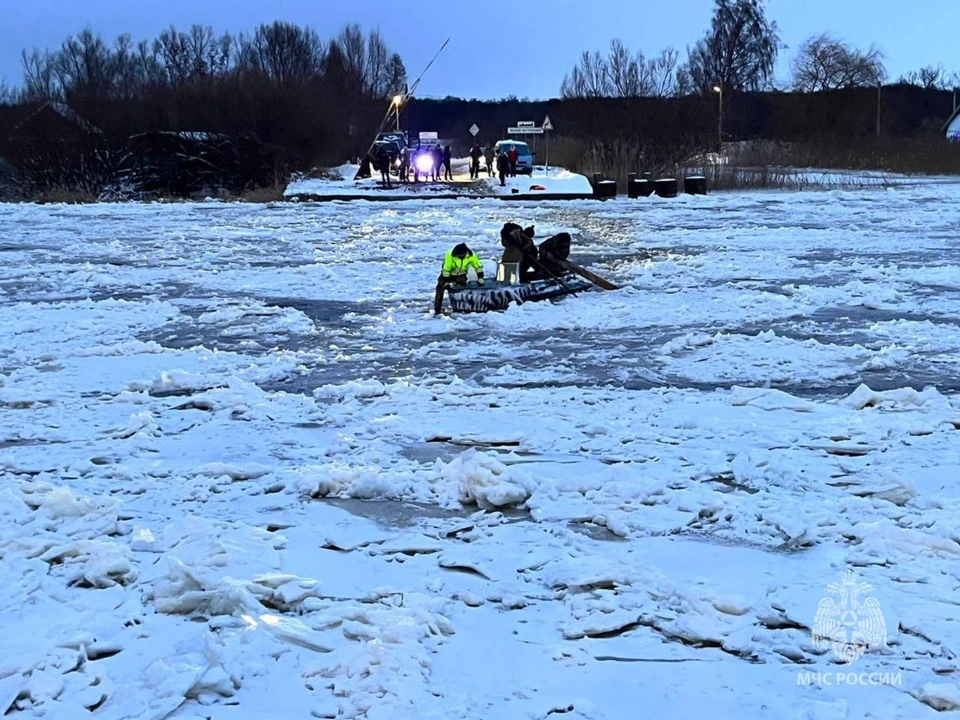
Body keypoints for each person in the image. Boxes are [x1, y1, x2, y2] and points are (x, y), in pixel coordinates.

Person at [434, 243, 485, 315]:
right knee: (440, 287)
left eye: (462, 255)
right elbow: (446, 269)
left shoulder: (471, 255)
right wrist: (447, 281)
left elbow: (478, 267)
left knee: (462, 287)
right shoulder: (450, 255)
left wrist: (480, 277)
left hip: (461, 275)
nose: (461, 257)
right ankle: (437, 309)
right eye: (459, 256)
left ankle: (462, 307)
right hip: (449, 274)